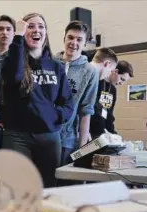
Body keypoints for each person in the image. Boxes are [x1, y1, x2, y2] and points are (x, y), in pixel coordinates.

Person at [0, 13, 74, 188]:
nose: (36, 30)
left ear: (46, 33)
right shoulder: (12, 60)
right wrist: (17, 38)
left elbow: (68, 104)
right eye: (30, 26)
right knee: (17, 187)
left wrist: (52, 115)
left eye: (40, 26)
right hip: (17, 136)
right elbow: (14, 77)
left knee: (47, 187)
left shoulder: (56, 66)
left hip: (48, 136)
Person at [54, 21, 98, 168]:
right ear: (64, 39)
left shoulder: (90, 71)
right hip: (43, 136)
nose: (74, 43)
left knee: (63, 185)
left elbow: (86, 110)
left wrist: (83, 149)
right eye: (70, 38)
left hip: (67, 138)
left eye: (79, 39)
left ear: (85, 43)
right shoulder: (49, 63)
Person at [90, 59, 134, 139]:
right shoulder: (97, 81)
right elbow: (93, 108)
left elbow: (109, 113)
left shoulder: (113, 90)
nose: (121, 83)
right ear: (115, 71)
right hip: (90, 129)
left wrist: (112, 132)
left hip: (102, 132)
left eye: (124, 81)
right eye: (122, 79)